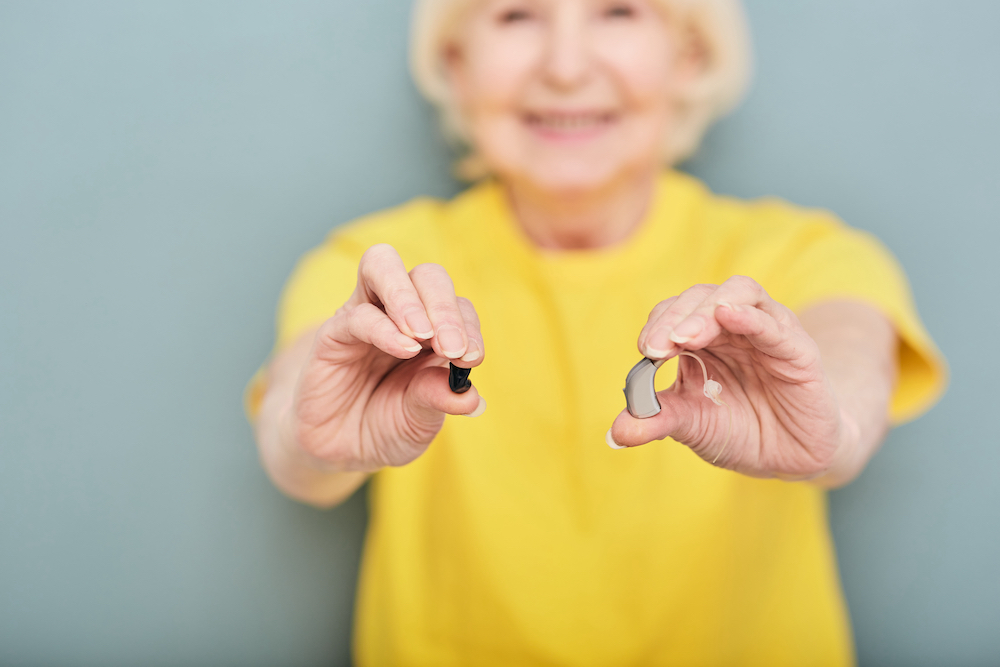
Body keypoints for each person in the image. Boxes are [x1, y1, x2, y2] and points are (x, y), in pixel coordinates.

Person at [246, 0, 947, 664]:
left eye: (618, 9)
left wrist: (836, 431)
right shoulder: (370, 268)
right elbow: (295, 425)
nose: (566, 66)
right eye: (518, 13)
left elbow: (852, 362)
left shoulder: (806, 256)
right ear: (457, 63)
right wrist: (311, 443)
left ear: (690, 56)